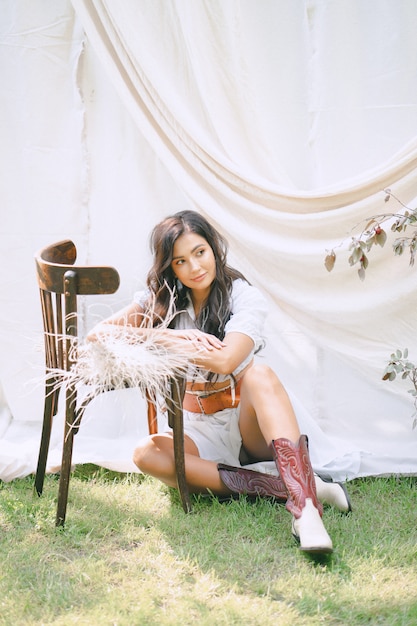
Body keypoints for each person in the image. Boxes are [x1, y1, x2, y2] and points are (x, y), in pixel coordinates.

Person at [88, 210, 351, 555]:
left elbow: (228, 359)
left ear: (214, 248)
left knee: (259, 372)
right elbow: (99, 334)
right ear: (170, 267)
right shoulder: (163, 300)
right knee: (145, 454)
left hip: (247, 427)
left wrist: (164, 341)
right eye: (181, 261)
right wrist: (171, 339)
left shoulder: (244, 296)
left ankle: (306, 512)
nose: (195, 268)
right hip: (197, 427)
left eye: (200, 252)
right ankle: (292, 486)